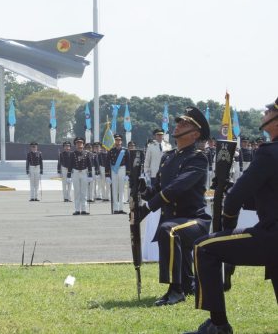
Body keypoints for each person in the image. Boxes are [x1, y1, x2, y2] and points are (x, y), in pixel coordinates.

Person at [186, 97, 278, 334]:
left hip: (273, 236)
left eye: (271, 110)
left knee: (204, 247)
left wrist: (227, 224)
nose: (266, 111)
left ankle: (218, 325)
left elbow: (235, 198)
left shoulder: (268, 154)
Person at [135, 106, 211, 306]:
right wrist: (144, 190)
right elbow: (159, 190)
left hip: (194, 220)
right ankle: (187, 285)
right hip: (173, 220)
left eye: (184, 124)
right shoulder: (167, 157)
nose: (178, 126)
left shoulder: (198, 158)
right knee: (169, 228)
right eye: (179, 123)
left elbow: (177, 188)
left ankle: (175, 290)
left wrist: (149, 207)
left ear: (195, 134)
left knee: (168, 230)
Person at [67, 137, 92, 215]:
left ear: (83, 145)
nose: (79, 145)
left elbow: (89, 165)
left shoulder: (87, 153)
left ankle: (84, 209)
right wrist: (68, 175)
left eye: (81, 143)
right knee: (77, 192)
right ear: (75, 145)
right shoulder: (72, 154)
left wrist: (90, 175)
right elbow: (70, 164)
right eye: (78, 143)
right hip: (76, 173)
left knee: (84, 192)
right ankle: (77, 209)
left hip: (84, 172)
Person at [105, 134, 129, 214]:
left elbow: (128, 162)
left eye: (119, 140)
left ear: (121, 141)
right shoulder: (111, 151)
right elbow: (107, 163)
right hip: (114, 170)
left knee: (121, 189)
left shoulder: (125, 150)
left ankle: (121, 208)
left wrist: (127, 174)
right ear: (114, 141)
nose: (118, 141)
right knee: (114, 189)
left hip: (122, 169)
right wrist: (107, 175)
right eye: (116, 140)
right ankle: (115, 208)